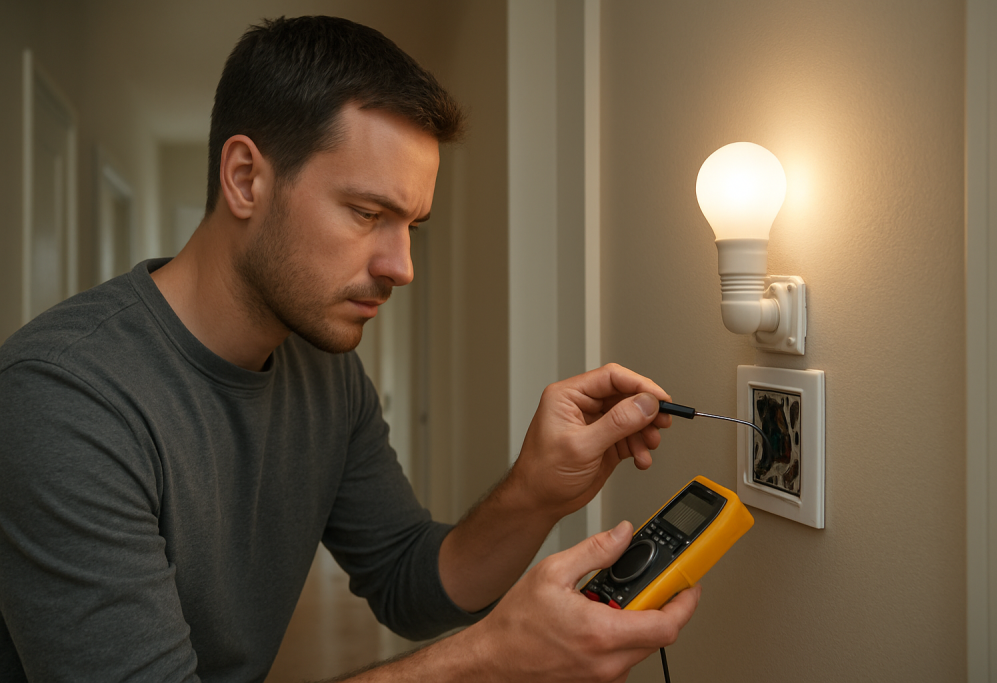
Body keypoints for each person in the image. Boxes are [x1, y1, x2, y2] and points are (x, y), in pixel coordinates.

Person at [0, 16, 700, 682]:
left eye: (411, 227)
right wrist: (488, 659)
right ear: (245, 178)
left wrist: (535, 489)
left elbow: (409, 581)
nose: (402, 267)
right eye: (367, 214)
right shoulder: (61, 401)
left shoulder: (324, 369)